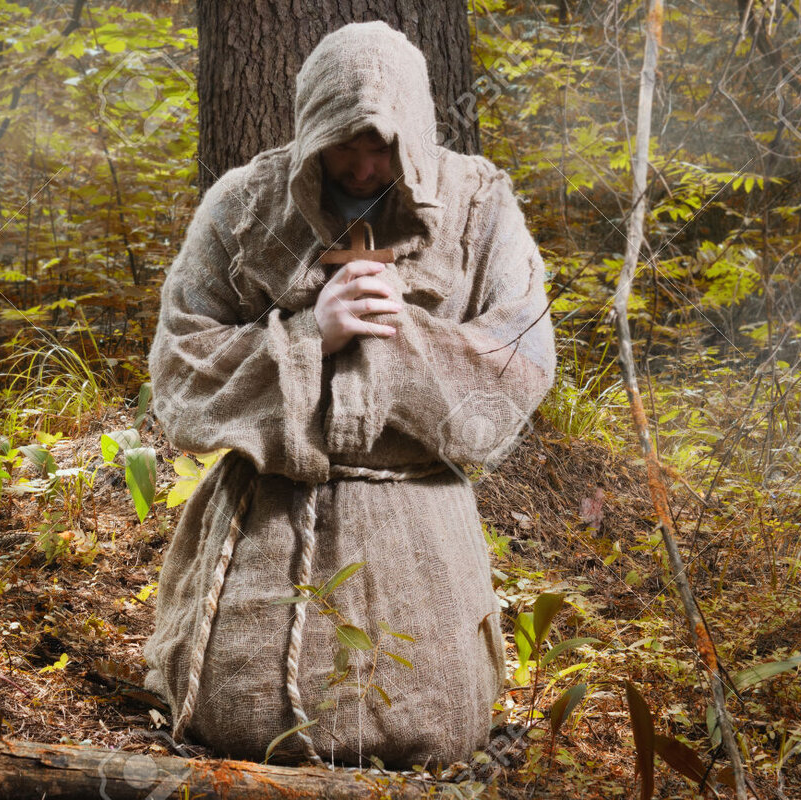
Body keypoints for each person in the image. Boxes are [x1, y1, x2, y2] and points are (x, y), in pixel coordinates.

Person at [143, 21, 555, 768]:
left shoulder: (477, 207)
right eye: (344, 145)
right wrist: (308, 336)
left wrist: (407, 339)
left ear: (418, 134)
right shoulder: (242, 206)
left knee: (436, 730)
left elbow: (523, 358)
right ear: (310, 131)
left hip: (420, 522)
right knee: (244, 726)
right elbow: (179, 367)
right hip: (273, 512)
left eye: (383, 148)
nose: (363, 168)